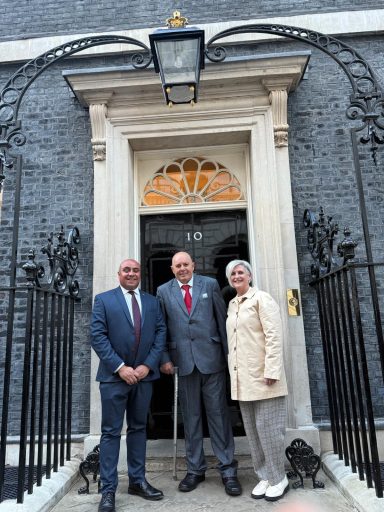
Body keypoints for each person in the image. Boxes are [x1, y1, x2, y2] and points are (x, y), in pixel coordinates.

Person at [157, 251, 241, 496]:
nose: (182, 268)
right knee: (191, 419)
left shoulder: (210, 284)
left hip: (212, 360)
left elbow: (221, 319)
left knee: (218, 417)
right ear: (172, 269)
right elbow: (161, 327)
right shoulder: (163, 291)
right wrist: (164, 358)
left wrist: (229, 356)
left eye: (186, 264)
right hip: (182, 364)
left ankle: (227, 470)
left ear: (193, 265)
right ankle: (195, 469)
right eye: (177, 265)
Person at [91, 258, 166, 512]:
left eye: (135, 270)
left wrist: (147, 365)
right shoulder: (104, 300)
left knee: (138, 429)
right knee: (111, 433)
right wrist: (121, 367)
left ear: (140, 274)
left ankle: (137, 481)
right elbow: (97, 337)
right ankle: (108, 490)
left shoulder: (152, 302)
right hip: (114, 378)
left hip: (144, 378)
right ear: (118, 274)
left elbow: (160, 334)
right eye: (126, 270)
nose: (131, 273)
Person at [225, 259, 289, 502]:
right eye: (233, 273)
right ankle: (264, 475)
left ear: (249, 276)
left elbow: (274, 335)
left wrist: (272, 370)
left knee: (269, 430)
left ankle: (278, 478)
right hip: (243, 380)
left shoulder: (262, 299)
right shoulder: (233, 304)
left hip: (265, 379)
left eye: (241, 272)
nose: (237, 276)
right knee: (252, 431)